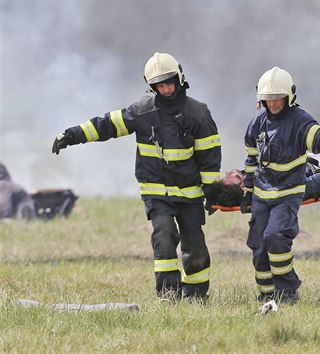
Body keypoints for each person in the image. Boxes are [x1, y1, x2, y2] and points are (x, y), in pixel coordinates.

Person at [51, 52, 221, 303]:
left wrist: (211, 193)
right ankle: (169, 297)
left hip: (189, 193)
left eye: (169, 83)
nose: (165, 89)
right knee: (163, 236)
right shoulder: (142, 111)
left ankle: (196, 297)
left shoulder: (198, 113)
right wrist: (72, 134)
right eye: (159, 85)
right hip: (157, 192)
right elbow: (107, 125)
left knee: (194, 245)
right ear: (151, 86)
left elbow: (210, 156)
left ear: (179, 78)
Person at [241, 66, 320, 304]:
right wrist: (248, 191)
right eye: (268, 98)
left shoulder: (298, 120)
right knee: (259, 245)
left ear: (289, 96)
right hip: (262, 195)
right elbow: (251, 161)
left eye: (277, 98)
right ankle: (266, 295)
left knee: (276, 236)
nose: (272, 103)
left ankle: (287, 292)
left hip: (288, 194)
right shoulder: (256, 125)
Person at [206, 154, 320, 207]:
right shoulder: (267, 186)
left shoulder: (250, 176)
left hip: (308, 163)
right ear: (243, 188)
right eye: (233, 177)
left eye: (227, 175)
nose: (231, 172)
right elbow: (308, 188)